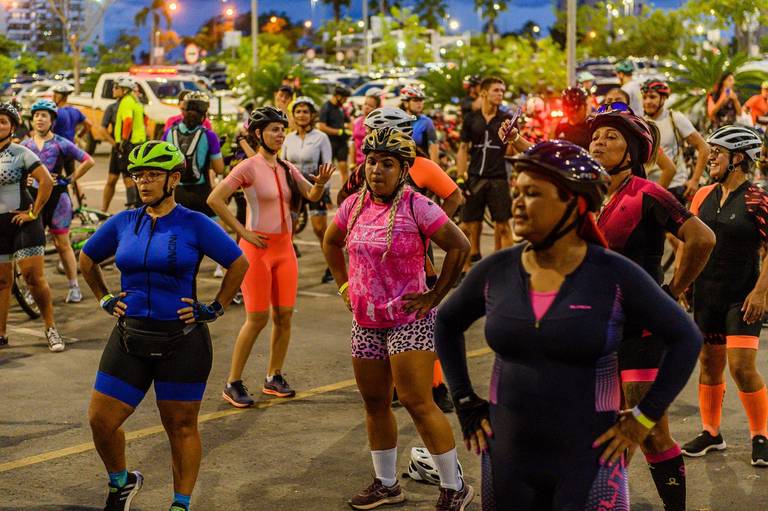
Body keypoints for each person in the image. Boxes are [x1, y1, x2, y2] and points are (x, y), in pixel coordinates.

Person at [434, 140, 703, 510]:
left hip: (589, 467)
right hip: (508, 461)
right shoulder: (496, 270)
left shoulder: (612, 274)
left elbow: (686, 338)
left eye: (532, 193)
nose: (517, 203)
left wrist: (644, 417)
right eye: (517, 191)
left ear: (574, 204)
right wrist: (464, 401)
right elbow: (446, 322)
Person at [80, 140, 249, 511]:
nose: (143, 182)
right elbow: (87, 258)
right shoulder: (124, 222)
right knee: (100, 420)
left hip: (182, 340)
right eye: (138, 175)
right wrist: (104, 298)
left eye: (153, 175)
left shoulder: (194, 222)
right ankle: (121, 483)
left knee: (181, 427)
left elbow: (239, 263)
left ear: (174, 179)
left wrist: (215, 307)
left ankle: (179, 505)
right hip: (130, 336)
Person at [323, 127, 473, 510]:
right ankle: (386, 484)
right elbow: (330, 241)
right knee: (375, 402)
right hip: (365, 321)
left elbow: (460, 246)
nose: (376, 170)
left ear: (404, 169)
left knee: (416, 400)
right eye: (372, 161)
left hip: (410, 319)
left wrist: (435, 296)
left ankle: (454, 487)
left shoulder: (417, 206)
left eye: (387, 163)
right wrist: (344, 287)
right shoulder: (353, 205)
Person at [591, 105, 715, 511]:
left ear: (633, 151)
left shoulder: (647, 192)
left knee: (648, 432)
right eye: (596, 136)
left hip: (641, 332)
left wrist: (673, 290)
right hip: (600, 332)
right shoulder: (593, 198)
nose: (599, 142)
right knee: (606, 429)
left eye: (611, 137)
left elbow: (702, 238)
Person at [207, 106, 335, 406]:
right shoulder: (248, 167)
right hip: (256, 251)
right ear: (258, 133)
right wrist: (242, 231)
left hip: (284, 250)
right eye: (274, 129)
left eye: (282, 129)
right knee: (257, 319)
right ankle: (232, 382)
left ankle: (273, 376)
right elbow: (215, 199)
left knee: (284, 316)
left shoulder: (286, 167)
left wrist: (319, 183)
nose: (280, 134)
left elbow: (311, 195)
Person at [339, 107, 464, 413]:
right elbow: (343, 201)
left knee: (420, 322)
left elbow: (455, 196)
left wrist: (430, 225)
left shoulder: (423, 166)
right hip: (372, 262)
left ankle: (436, 385)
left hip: (413, 255)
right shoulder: (365, 169)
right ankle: (396, 383)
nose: (378, 167)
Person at [681, 126, 768, 467]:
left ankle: (760, 435)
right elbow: (689, 241)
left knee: (742, 367)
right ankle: (711, 432)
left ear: (738, 158)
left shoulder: (757, 199)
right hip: (707, 295)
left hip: (742, 298)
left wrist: (760, 292)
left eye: (717, 151)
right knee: (709, 363)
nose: (710, 157)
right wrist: (682, 284)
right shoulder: (702, 195)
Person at [21, 99, 95, 303]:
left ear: (52, 120)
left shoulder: (61, 143)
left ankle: (74, 287)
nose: (39, 119)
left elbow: (89, 161)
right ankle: (31, 290)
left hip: (57, 199)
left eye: (44, 115)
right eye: (36, 115)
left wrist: (69, 179)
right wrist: (24, 179)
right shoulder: (25, 145)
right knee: (33, 248)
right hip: (32, 199)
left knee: (62, 244)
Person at [0, 102, 61, 351]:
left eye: (3, 121)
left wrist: (33, 212)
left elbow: (46, 181)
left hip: (23, 222)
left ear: (12, 127)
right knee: (2, 282)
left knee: (32, 278)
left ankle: (50, 328)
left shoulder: (20, 152)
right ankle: (1, 334)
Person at [457, 76, 515, 277]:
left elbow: (511, 151)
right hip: (475, 177)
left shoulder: (506, 119)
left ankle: (505, 273)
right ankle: (464, 270)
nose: (500, 94)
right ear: (483, 93)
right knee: (466, 226)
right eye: (496, 90)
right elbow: (463, 149)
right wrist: (460, 177)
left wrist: (512, 138)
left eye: (502, 91)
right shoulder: (471, 119)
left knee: (504, 226)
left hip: (498, 178)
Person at [281, 96, 334, 283]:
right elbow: (283, 164)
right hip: (294, 190)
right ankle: (285, 268)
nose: (302, 115)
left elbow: (327, 164)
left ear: (312, 115)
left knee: (320, 230)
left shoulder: (321, 137)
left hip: (315, 187)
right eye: (298, 112)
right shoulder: (288, 139)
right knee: (289, 232)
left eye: (305, 112)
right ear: (293, 115)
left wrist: (325, 191)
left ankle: (332, 267)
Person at [642, 79, 711, 203]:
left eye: (652, 97)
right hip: (649, 187)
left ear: (663, 98)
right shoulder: (641, 122)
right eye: (644, 97)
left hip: (674, 186)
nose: (647, 101)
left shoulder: (675, 118)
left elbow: (704, 147)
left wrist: (695, 180)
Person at [162, 91, 223, 218]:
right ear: (204, 114)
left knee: (178, 228)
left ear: (183, 111)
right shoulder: (209, 135)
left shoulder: (168, 133)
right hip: (202, 193)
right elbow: (219, 169)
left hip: (176, 193)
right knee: (209, 228)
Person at [102, 77, 145, 212]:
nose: (114, 89)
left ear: (125, 90)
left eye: (117, 87)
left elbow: (128, 121)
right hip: (134, 143)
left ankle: (133, 209)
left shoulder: (126, 102)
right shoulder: (135, 101)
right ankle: (132, 208)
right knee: (117, 178)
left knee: (128, 178)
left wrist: (123, 141)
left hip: (127, 145)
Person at [318, 85, 352, 182]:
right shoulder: (326, 107)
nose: (345, 100)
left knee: (344, 167)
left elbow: (349, 122)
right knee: (327, 170)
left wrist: (350, 131)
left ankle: (346, 190)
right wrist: (338, 132)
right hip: (329, 143)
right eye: (345, 98)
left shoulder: (341, 108)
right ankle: (324, 189)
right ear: (338, 96)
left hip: (341, 143)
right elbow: (322, 126)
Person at [400, 86, 439, 162]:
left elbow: (434, 147)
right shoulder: (397, 121)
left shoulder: (427, 122)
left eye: (421, 100)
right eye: (415, 100)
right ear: (405, 103)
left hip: (420, 163)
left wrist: (433, 166)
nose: (419, 103)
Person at [352, 89, 383, 166]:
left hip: (371, 164)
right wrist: (352, 164)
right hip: (358, 164)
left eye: (370, 106)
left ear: (377, 108)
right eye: (365, 104)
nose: (366, 107)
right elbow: (353, 144)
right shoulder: (356, 122)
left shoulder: (379, 124)